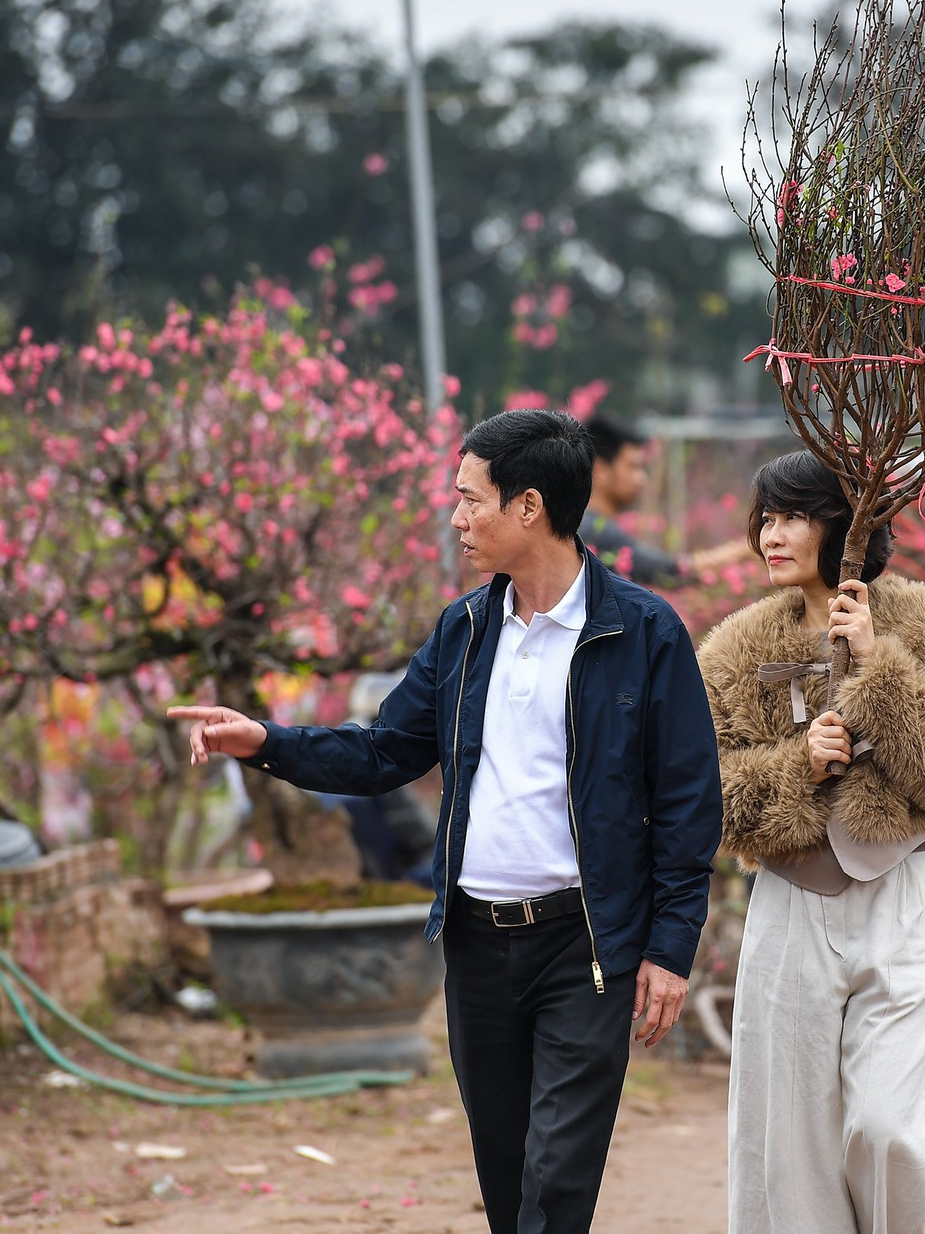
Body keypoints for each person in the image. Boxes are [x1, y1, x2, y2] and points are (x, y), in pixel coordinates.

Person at [168, 409, 724, 1232]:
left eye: (470, 499)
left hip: (587, 945)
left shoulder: (644, 632)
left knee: (555, 1184)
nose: (456, 517)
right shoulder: (464, 630)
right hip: (476, 944)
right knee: (507, 1183)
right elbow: (383, 751)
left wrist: (671, 947)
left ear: (528, 506)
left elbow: (687, 799)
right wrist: (266, 742)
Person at [697, 450, 925, 1233]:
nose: (771, 534)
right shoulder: (734, 649)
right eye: (765, 517)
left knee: (897, 1129)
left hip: (905, 890)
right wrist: (797, 765)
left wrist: (876, 663)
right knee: (785, 1154)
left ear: (850, 524)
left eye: (793, 515)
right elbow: (700, 796)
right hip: (789, 905)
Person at [580, 412, 748, 585]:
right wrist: (742, 551)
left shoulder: (583, 524)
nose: (642, 479)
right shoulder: (597, 531)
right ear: (599, 469)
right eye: (633, 467)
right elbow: (668, 571)